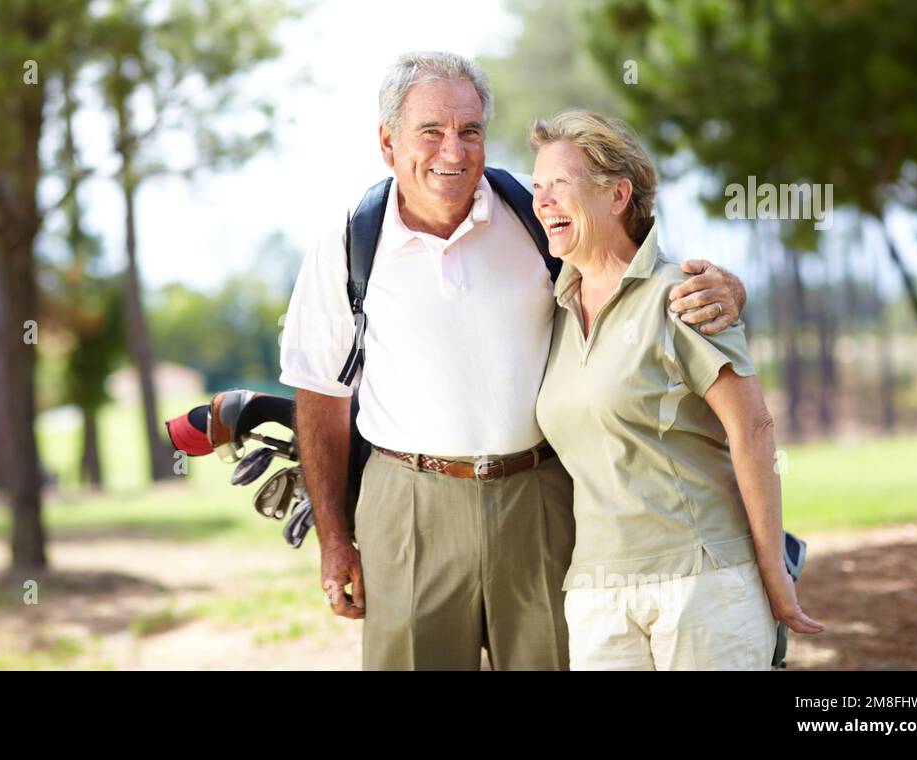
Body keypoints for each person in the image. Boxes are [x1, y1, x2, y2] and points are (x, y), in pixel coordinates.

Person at [278, 52, 747, 671]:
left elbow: (638, 280)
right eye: (431, 132)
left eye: (469, 131)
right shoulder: (346, 245)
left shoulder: (536, 217)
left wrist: (730, 289)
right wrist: (335, 542)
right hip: (407, 508)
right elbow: (320, 399)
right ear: (388, 142)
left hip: (539, 499)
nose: (454, 150)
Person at [530, 109, 824, 670]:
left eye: (560, 185)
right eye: (538, 186)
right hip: (595, 591)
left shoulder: (684, 295)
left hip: (703, 581)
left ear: (618, 195)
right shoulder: (553, 310)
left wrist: (772, 570)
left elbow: (753, 428)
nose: (543, 201)